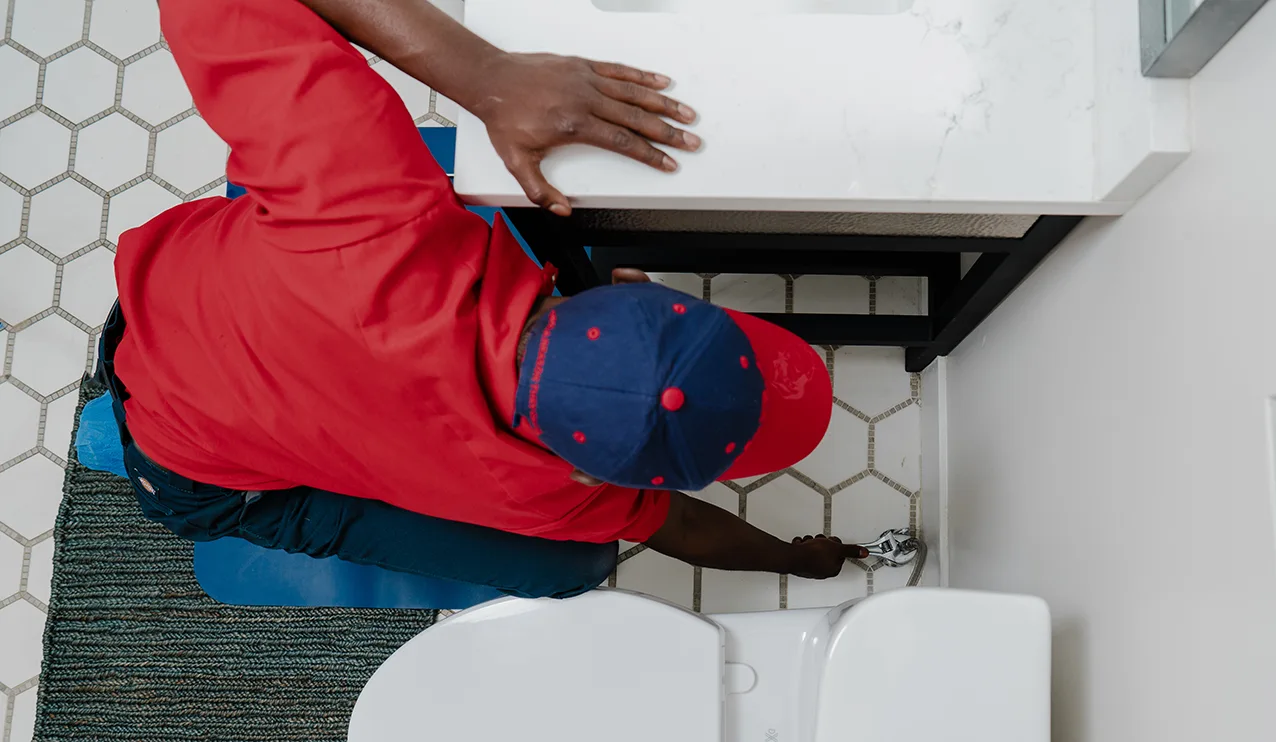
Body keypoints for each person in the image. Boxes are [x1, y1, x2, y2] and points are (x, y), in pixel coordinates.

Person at [101, 0, 867, 600]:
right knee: (571, 567)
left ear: (632, 286)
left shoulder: (366, 207)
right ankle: (135, 445)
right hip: (194, 477)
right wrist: (797, 563)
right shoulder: (546, 491)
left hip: (162, 300)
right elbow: (683, 531)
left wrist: (485, 76)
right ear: (620, 474)